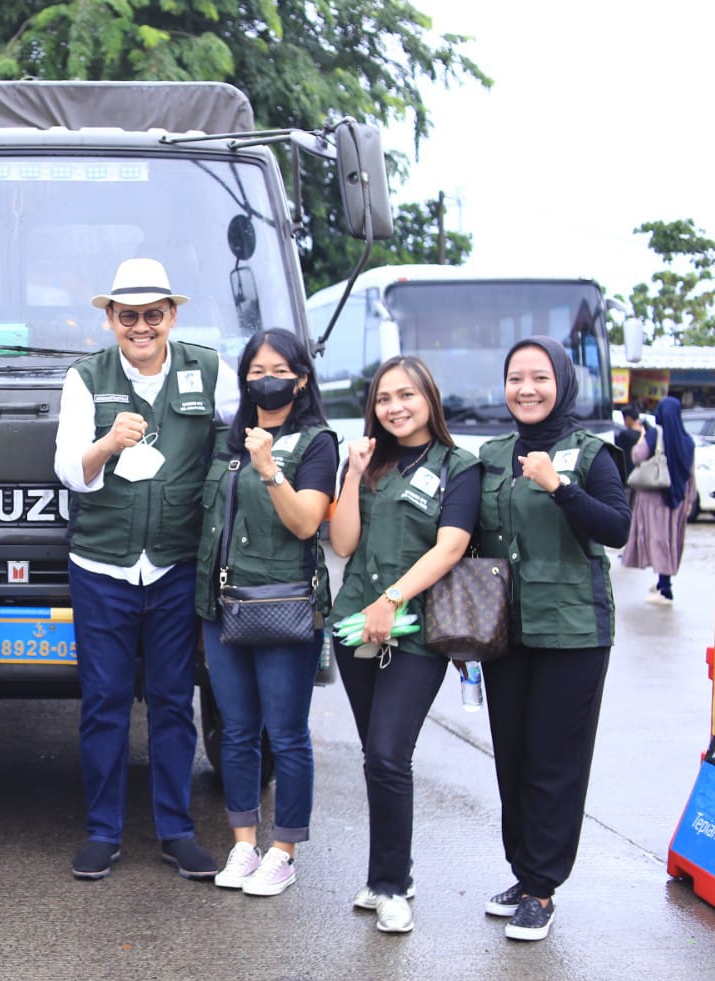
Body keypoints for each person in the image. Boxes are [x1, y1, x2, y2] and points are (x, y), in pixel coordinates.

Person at [53, 257, 221, 882]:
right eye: (129, 316)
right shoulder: (85, 377)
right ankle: (103, 831)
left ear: (172, 315)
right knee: (105, 702)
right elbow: (70, 471)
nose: (142, 326)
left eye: (154, 314)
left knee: (175, 701)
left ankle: (177, 832)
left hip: (176, 566)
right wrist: (106, 442)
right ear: (111, 319)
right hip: (102, 566)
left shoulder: (208, 369)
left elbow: (250, 425)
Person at [476, 336, 631, 941]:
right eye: (516, 377)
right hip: (505, 631)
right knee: (512, 753)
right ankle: (523, 871)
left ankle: (543, 888)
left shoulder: (592, 453)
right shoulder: (489, 456)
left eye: (540, 377)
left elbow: (617, 529)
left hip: (574, 631)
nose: (527, 389)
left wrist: (558, 487)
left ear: (562, 383)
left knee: (554, 760)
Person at [327, 355, 479, 935]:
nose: (395, 407)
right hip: (355, 630)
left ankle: (393, 885)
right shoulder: (372, 462)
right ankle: (386, 874)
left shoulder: (457, 466)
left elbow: (451, 546)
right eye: (384, 398)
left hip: (416, 632)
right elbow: (342, 545)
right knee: (377, 760)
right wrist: (351, 471)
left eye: (406, 395)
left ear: (429, 399)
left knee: (390, 754)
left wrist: (390, 602)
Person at [196, 329, 337, 897]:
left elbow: (307, 523)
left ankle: (283, 850)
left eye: (279, 369)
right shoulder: (225, 441)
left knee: (286, 733)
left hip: (283, 608)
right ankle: (243, 843)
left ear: (301, 378)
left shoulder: (317, 443)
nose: (267, 378)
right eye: (256, 370)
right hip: (220, 606)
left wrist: (269, 467)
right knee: (235, 731)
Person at [620, 395, 696, 605]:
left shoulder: (655, 434)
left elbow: (637, 456)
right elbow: (691, 474)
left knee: (658, 540)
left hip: (655, 499)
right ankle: (662, 582)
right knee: (669, 541)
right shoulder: (687, 440)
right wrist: (689, 499)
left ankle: (665, 589)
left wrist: (642, 438)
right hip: (678, 499)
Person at [613, 403, 646, 477]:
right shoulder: (647, 432)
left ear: (628, 418)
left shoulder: (625, 435)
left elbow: (616, 454)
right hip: (644, 476)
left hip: (628, 476)